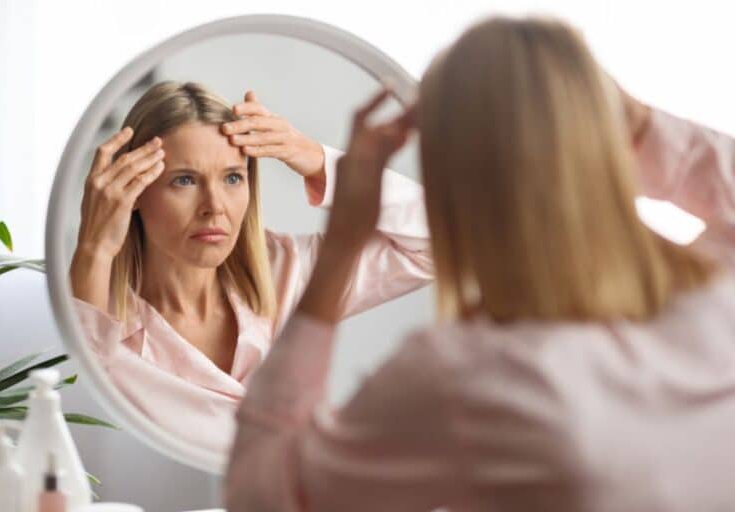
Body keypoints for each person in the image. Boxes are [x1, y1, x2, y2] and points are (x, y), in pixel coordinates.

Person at [226, 16, 735, 511]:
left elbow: (265, 497)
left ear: (450, 181)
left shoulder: (473, 379)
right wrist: (640, 124)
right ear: (608, 136)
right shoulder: (720, 300)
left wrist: (342, 245)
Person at [69, 81, 432, 452]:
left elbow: (439, 239)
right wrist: (94, 250)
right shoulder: (98, 311)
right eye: (185, 180)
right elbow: (78, 425)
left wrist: (314, 158)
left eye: (232, 177)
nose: (215, 206)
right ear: (133, 190)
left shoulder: (287, 272)